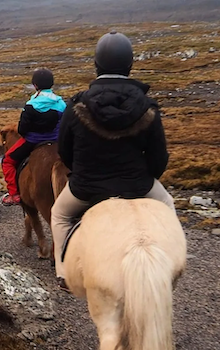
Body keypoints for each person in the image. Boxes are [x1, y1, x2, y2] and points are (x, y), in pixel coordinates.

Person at [51, 31, 175, 289]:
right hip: (137, 186)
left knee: (59, 215)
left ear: (96, 66)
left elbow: (65, 151)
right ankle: (172, 266)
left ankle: (64, 273)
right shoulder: (148, 107)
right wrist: (144, 179)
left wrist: (83, 172)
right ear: (129, 65)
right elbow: (158, 158)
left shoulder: (76, 106)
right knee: (167, 203)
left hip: (87, 187)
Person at [0, 68, 66, 206]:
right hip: (56, 140)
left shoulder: (31, 105)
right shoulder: (61, 103)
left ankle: (14, 194)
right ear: (52, 84)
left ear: (35, 85)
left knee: (7, 161)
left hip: (32, 141)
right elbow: (65, 125)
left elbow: (23, 129)